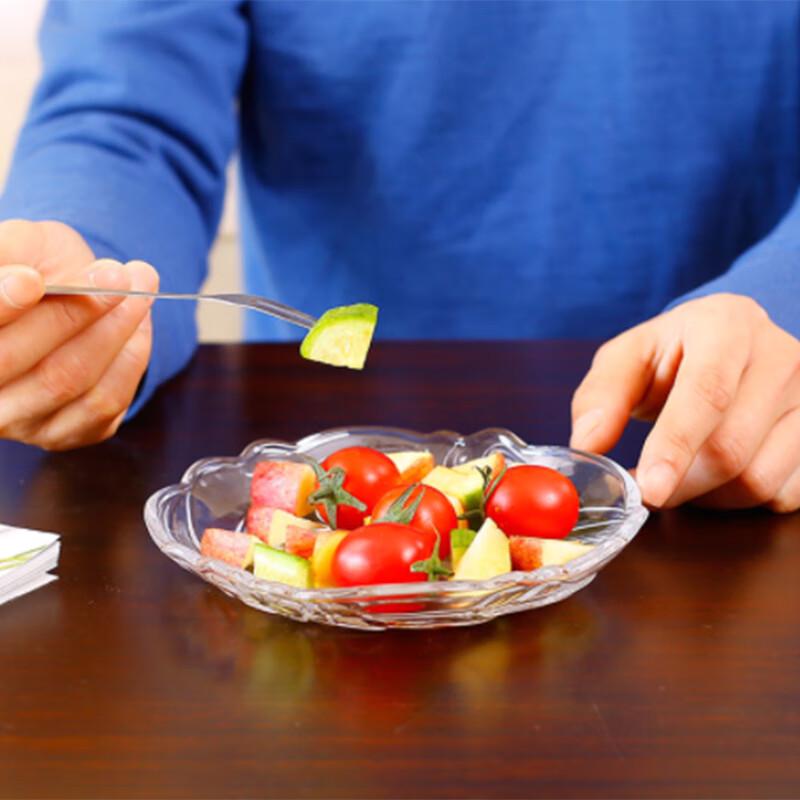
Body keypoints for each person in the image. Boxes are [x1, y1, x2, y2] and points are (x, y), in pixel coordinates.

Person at [0, 1, 798, 513]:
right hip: (327, 478)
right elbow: (125, 109)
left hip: (739, 474)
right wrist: (85, 276)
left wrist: (782, 302)